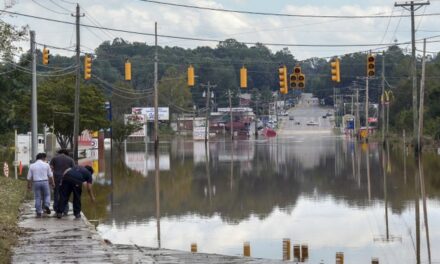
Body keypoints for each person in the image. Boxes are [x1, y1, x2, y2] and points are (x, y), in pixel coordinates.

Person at [27, 153, 55, 218]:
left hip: (36, 182)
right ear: (43, 158)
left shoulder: (32, 165)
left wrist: (29, 185)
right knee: (47, 195)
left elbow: (29, 177)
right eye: (45, 158)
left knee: (37, 197)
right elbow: (50, 175)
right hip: (45, 182)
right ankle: (46, 205)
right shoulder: (46, 165)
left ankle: (38, 212)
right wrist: (53, 183)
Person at [49, 149, 74, 215]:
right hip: (67, 178)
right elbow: (73, 169)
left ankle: (56, 209)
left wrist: (50, 180)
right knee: (65, 194)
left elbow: (50, 169)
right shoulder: (70, 159)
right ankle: (65, 210)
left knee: (56, 193)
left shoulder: (54, 158)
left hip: (56, 178)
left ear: (59, 153)